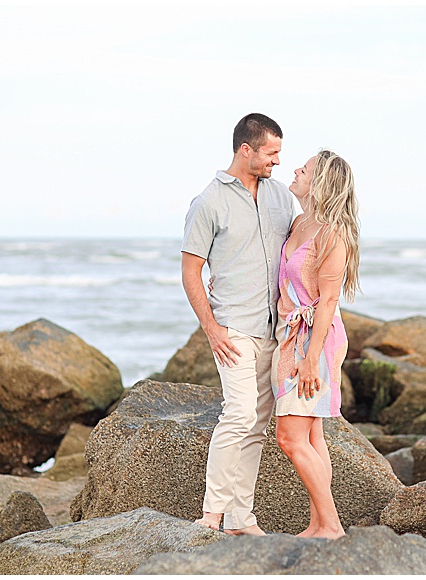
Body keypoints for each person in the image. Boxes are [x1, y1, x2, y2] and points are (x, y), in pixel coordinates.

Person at [181, 113, 295, 536]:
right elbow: (191, 271)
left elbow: (301, 250)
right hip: (233, 328)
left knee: (257, 425)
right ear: (245, 150)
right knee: (239, 413)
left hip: (274, 329)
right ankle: (211, 514)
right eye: (271, 152)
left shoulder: (283, 198)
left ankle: (239, 518)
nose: (277, 161)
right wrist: (211, 328)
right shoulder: (208, 202)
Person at [271, 149, 361, 539]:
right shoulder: (299, 222)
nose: (295, 169)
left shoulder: (332, 234)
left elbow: (327, 303)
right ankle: (319, 524)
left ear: (319, 181)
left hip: (315, 341)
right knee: (311, 436)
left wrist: (310, 360)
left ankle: (333, 527)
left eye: (303, 169)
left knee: (289, 437)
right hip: (291, 336)